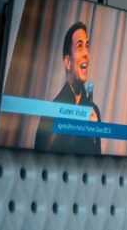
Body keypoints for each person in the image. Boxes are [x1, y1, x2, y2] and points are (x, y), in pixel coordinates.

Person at [34, 21, 102, 155]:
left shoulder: (94, 111)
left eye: (87, 46)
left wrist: (93, 135)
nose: (86, 54)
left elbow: (97, 162)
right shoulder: (51, 112)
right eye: (80, 46)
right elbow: (39, 160)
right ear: (67, 62)